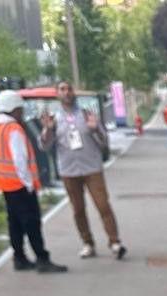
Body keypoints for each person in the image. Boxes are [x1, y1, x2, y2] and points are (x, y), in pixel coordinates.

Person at [38, 80, 128, 260]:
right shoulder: (54, 119)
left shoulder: (87, 115)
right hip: (69, 171)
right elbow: (45, 146)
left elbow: (104, 143)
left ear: (74, 92)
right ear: (57, 94)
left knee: (103, 205)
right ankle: (88, 243)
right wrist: (47, 130)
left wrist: (95, 130)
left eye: (69, 89)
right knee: (78, 210)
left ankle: (115, 241)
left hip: (92, 168)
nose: (67, 92)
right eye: (62, 89)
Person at [0, 90, 66, 274]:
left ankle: (19, 257)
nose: (22, 113)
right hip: (20, 185)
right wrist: (29, 183)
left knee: (14, 223)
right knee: (32, 223)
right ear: (14, 109)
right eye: (20, 109)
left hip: (5, 184)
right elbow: (20, 159)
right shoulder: (13, 129)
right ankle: (42, 259)